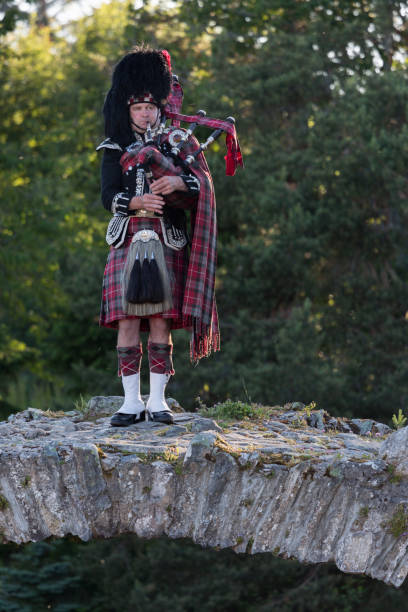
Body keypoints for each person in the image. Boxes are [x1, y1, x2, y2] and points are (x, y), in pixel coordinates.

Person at [97, 46, 220, 427]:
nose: (145, 113)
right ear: (127, 110)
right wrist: (134, 201)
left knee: (162, 321)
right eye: (138, 108)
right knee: (128, 321)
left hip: (167, 238)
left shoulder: (177, 145)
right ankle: (130, 403)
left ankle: (159, 402)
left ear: (159, 108)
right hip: (129, 237)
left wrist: (176, 180)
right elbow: (106, 196)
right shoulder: (113, 148)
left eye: (151, 107)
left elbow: (200, 185)